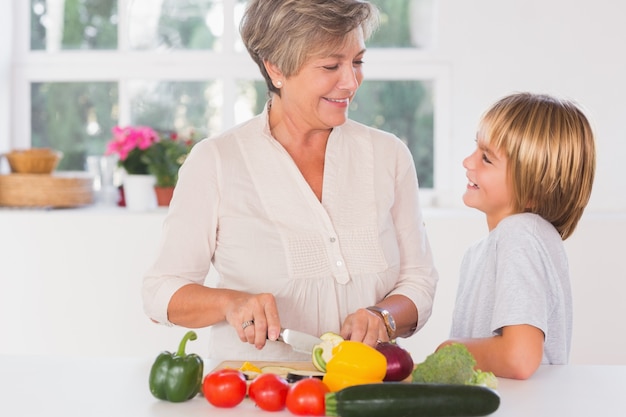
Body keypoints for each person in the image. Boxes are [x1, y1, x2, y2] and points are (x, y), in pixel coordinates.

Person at [142, 0, 438, 362]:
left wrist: (383, 317)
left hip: (367, 390)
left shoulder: (388, 155)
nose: (351, 81)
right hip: (256, 395)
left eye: (357, 61)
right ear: (276, 68)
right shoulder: (217, 161)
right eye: (331, 65)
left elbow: (419, 280)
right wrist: (229, 303)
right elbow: (159, 292)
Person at [438, 92, 596, 379]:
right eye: (476, 148)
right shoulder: (481, 251)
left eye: (486, 158)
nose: (467, 162)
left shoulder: (520, 234)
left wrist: (450, 349)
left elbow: (519, 357)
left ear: (534, 191)